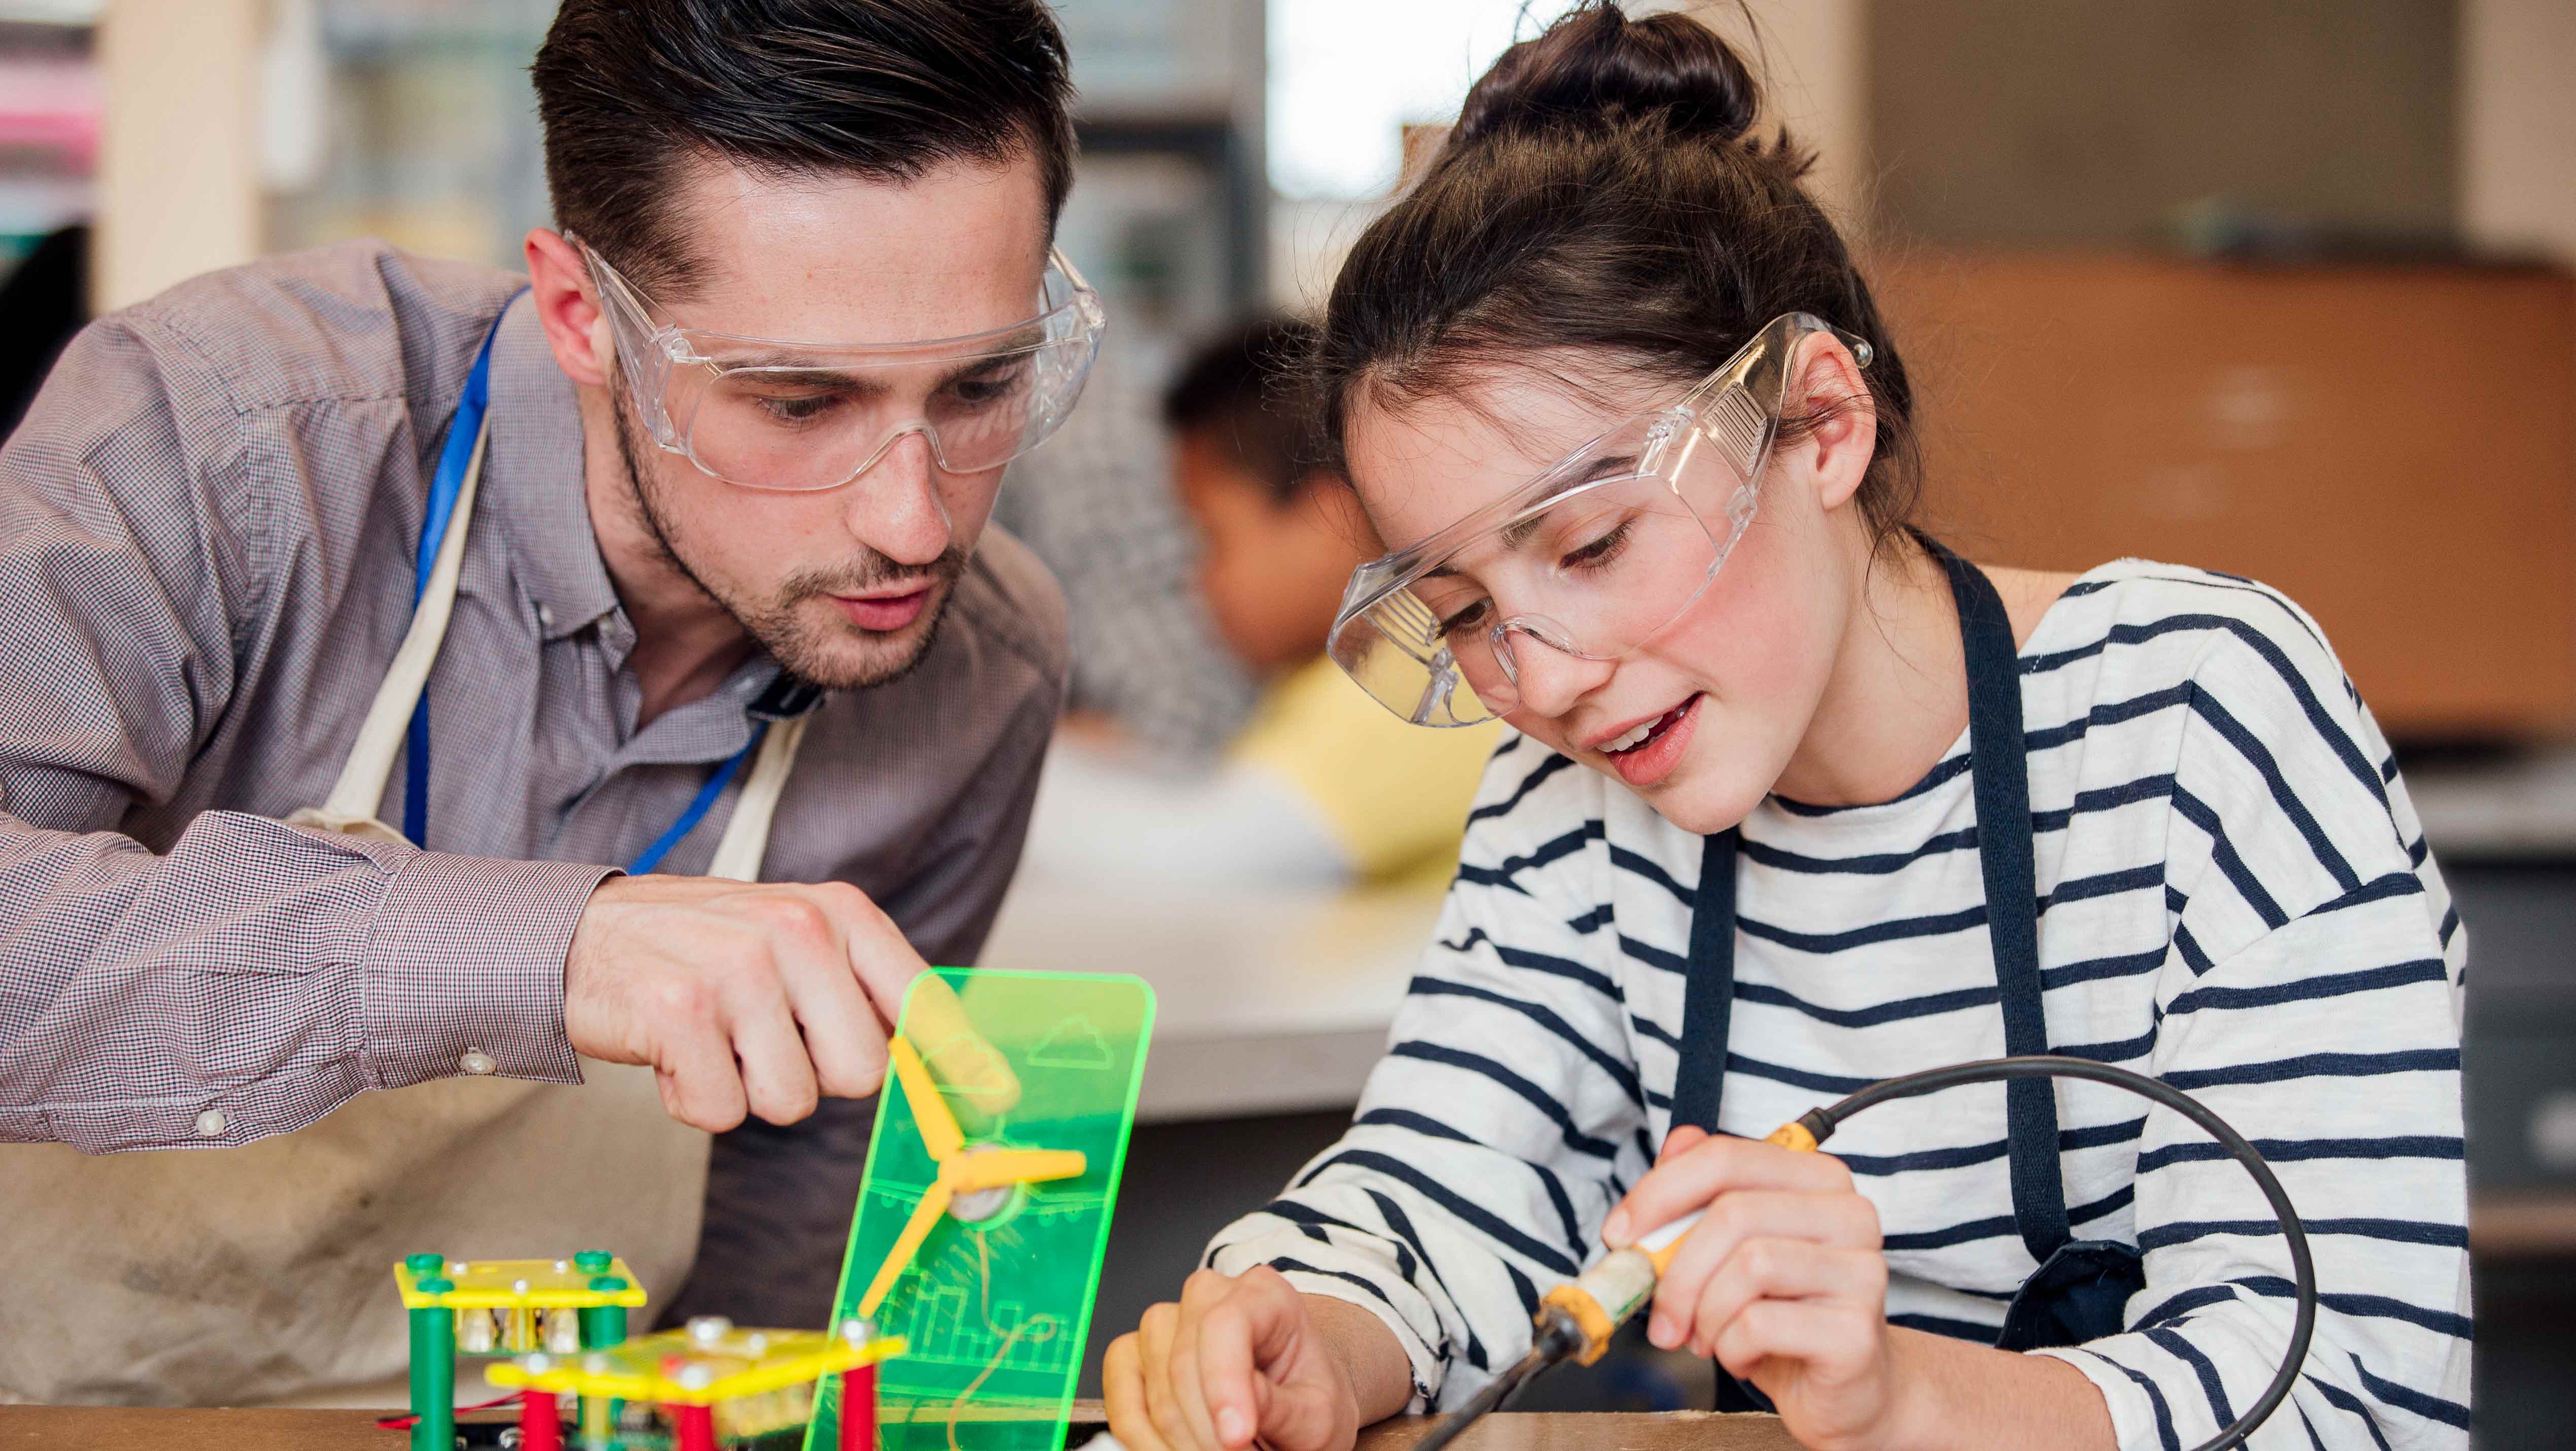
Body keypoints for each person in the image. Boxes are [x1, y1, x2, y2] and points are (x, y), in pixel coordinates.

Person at [1102, 8, 2469, 1451]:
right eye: (1459, 614)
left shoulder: (2197, 723)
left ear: (1819, 418)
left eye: (1587, 547)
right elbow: (1450, 1184)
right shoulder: (1567, 800)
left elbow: (2353, 1399)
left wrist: (1899, 1397)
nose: (1545, 676)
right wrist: (1306, 1329)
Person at [0, 0, 1087, 1406]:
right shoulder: (223, 440)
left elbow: (789, 1250)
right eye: (798, 401)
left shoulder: (980, 671)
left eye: (981, 386)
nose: (914, 522)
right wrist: (556, 951)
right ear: (583, 314)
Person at [1019, 317, 1495, 894]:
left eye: (1212, 537)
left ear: (1330, 514)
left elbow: (1188, 857)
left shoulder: (1428, 674)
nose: (1199, 581)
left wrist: (971, 767)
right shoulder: (1324, 685)